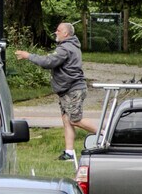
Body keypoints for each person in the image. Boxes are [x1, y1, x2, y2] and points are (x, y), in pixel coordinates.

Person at [18, 21, 97, 159]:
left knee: (75, 119)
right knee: (67, 119)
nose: (56, 32)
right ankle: (69, 153)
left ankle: (104, 134)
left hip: (73, 89)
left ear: (65, 33)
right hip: (67, 90)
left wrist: (28, 56)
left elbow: (48, 62)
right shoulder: (70, 46)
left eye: (58, 30)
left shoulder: (65, 48)